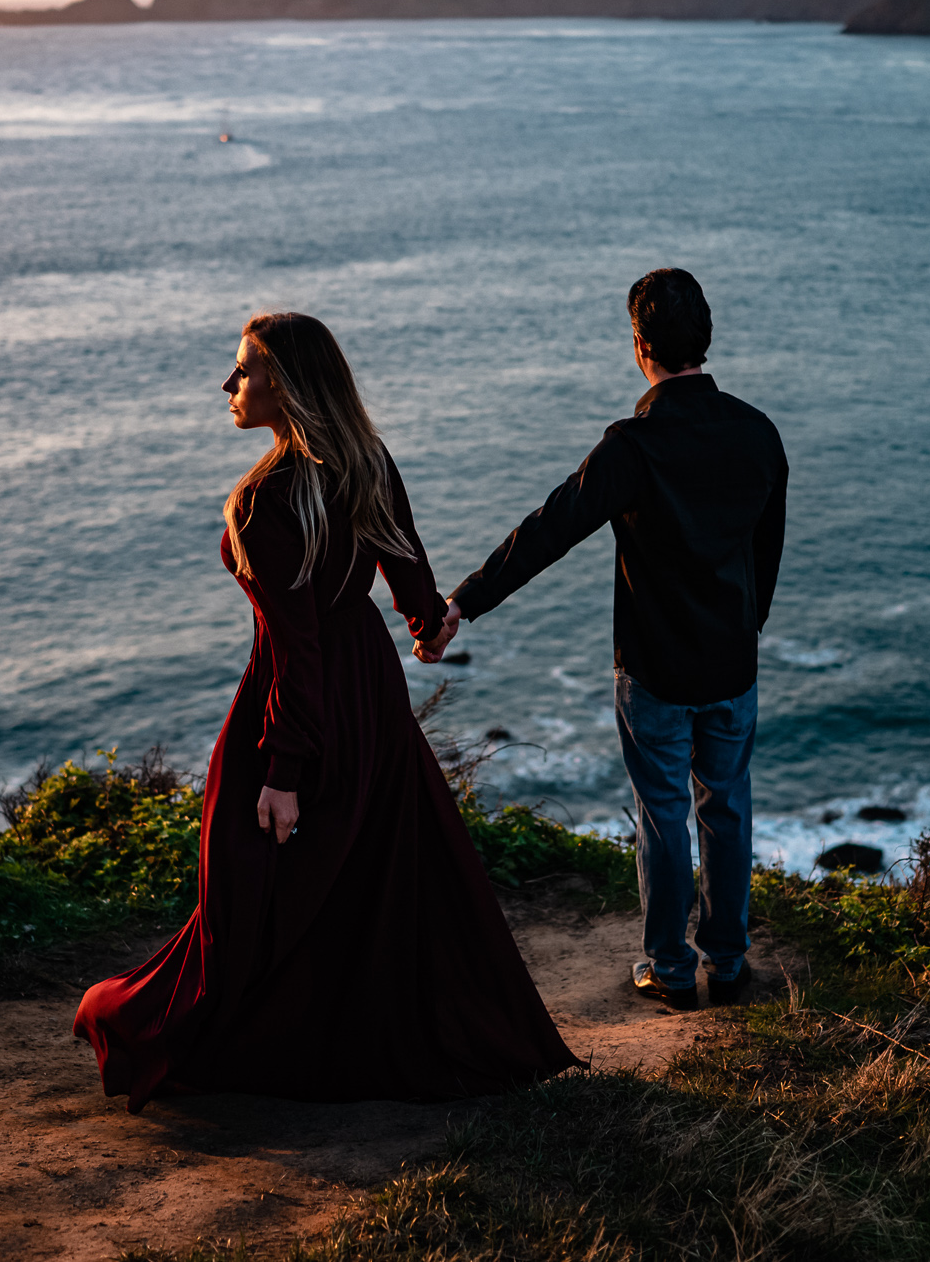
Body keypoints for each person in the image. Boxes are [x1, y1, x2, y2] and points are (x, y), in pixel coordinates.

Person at [73, 312, 582, 1111]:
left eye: (242, 370)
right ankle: (360, 1038)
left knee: (252, 893)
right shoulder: (366, 462)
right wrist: (429, 625)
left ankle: (193, 1035)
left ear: (285, 383)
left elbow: (298, 645)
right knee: (372, 877)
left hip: (295, 698)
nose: (228, 384)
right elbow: (410, 574)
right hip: (370, 696)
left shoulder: (262, 500)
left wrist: (283, 771)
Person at [418, 269, 787, 1011]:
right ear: (704, 338)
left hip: (653, 667)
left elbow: (549, 531)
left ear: (640, 346)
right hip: (730, 660)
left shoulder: (633, 446)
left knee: (663, 812)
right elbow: (766, 552)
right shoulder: (758, 433)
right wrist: (748, 624)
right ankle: (729, 961)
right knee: (728, 806)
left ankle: (671, 970)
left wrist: (462, 602)